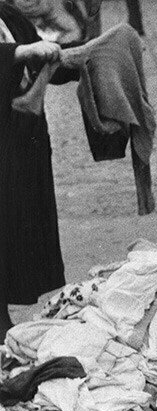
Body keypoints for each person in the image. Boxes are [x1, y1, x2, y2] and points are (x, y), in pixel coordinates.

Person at [0, 3, 67, 339]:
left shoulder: (8, 14)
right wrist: (20, 51)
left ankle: (4, 317)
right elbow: (26, 52)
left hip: (21, 136)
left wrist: (88, 51)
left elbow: (44, 57)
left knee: (14, 225)